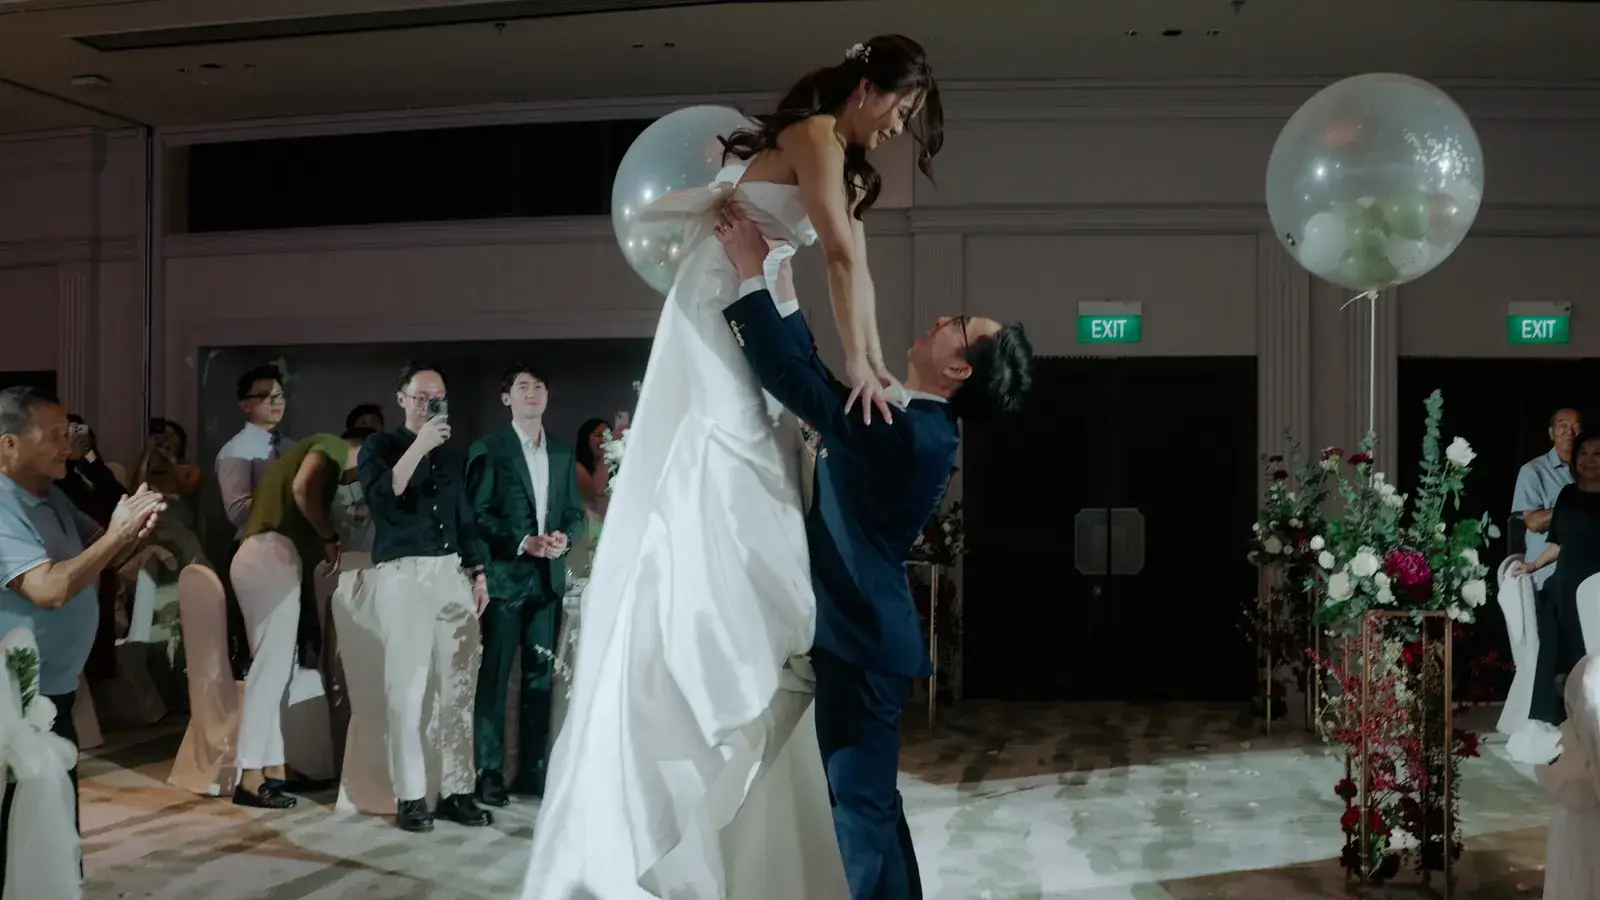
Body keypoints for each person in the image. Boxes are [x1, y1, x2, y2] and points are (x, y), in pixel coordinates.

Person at [521, 34, 944, 900]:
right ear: (868, 89)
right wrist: (859, 363)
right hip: (721, 309)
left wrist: (865, 360)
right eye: (901, 108)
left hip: (754, 300)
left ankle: (737, 648)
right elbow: (836, 254)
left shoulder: (839, 152)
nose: (902, 127)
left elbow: (854, 263)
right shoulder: (819, 134)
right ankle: (715, 653)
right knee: (730, 456)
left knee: (760, 458)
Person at [716, 203, 1030, 897]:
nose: (947, 317)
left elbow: (802, 389)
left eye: (961, 327)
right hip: (864, 635)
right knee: (871, 808)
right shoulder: (914, 419)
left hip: (860, 638)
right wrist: (784, 287)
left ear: (961, 370)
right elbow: (825, 389)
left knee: (855, 810)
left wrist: (746, 276)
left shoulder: (911, 430)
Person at [0, 387, 164, 884]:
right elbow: (47, 588)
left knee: (55, 825)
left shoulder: (51, 496)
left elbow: (97, 554)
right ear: (8, 445)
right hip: (13, 703)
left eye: (68, 434)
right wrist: (116, 535)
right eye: (53, 436)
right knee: (20, 831)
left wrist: (131, 527)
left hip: (54, 692)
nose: (67, 446)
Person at [358, 362, 492, 833]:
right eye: (420, 397)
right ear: (402, 398)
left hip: (450, 571)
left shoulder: (450, 455)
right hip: (403, 574)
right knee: (407, 689)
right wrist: (419, 445)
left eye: (437, 397)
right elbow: (384, 496)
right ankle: (411, 795)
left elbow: (464, 518)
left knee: (458, 689)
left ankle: (458, 790)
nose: (429, 405)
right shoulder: (380, 446)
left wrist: (478, 573)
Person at [467, 365, 585, 807]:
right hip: (504, 580)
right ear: (506, 399)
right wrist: (522, 542)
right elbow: (476, 514)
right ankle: (489, 772)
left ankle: (534, 770)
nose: (532, 392)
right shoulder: (490, 448)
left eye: (539, 386)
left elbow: (573, 513)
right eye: (522, 386)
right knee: (495, 678)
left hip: (547, 583)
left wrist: (563, 539)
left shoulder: (559, 449)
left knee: (541, 677)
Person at [229, 431, 362, 809]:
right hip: (272, 555)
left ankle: (272, 769)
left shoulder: (315, 451)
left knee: (275, 668)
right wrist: (329, 536)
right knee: (269, 672)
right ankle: (250, 775)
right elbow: (304, 488)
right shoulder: (332, 447)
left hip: (260, 555)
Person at [1514, 430, 1600, 726]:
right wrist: (1533, 566)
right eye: (1584, 454)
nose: (1590, 460)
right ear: (1575, 460)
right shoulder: (1567, 496)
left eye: (1597, 454)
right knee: (1559, 647)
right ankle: (1560, 720)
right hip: (1566, 582)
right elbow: (1559, 542)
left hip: (1597, 586)